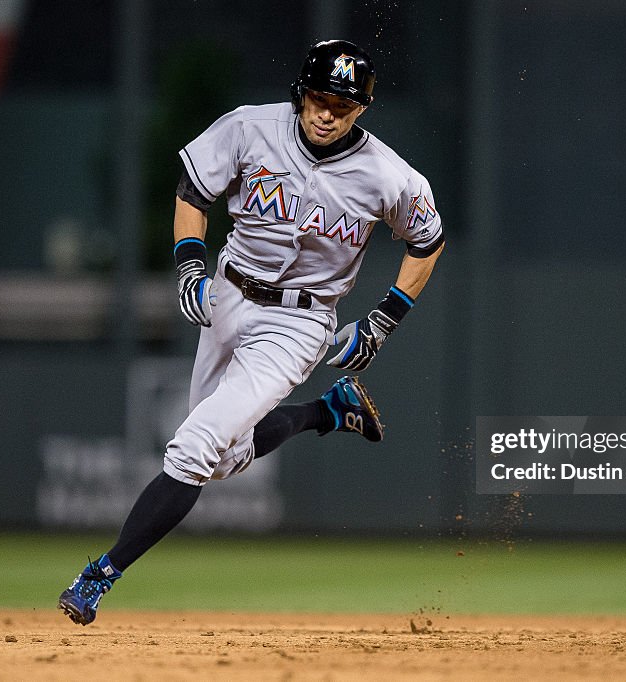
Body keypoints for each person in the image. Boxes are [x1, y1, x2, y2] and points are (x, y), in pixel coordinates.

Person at [57, 39, 445, 625]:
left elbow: (427, 241)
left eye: (341, 105)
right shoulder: (249, 128)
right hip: (230, 294)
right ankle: (326, 412)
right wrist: (190, 261)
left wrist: (385, 319)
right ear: (301, 93)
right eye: (318, 97)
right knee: (217, 461)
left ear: (361, 110)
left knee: (192, 447)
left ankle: (99, 576)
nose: (325, 113)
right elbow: (193, 193)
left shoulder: (388, 175)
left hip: (300, 321)